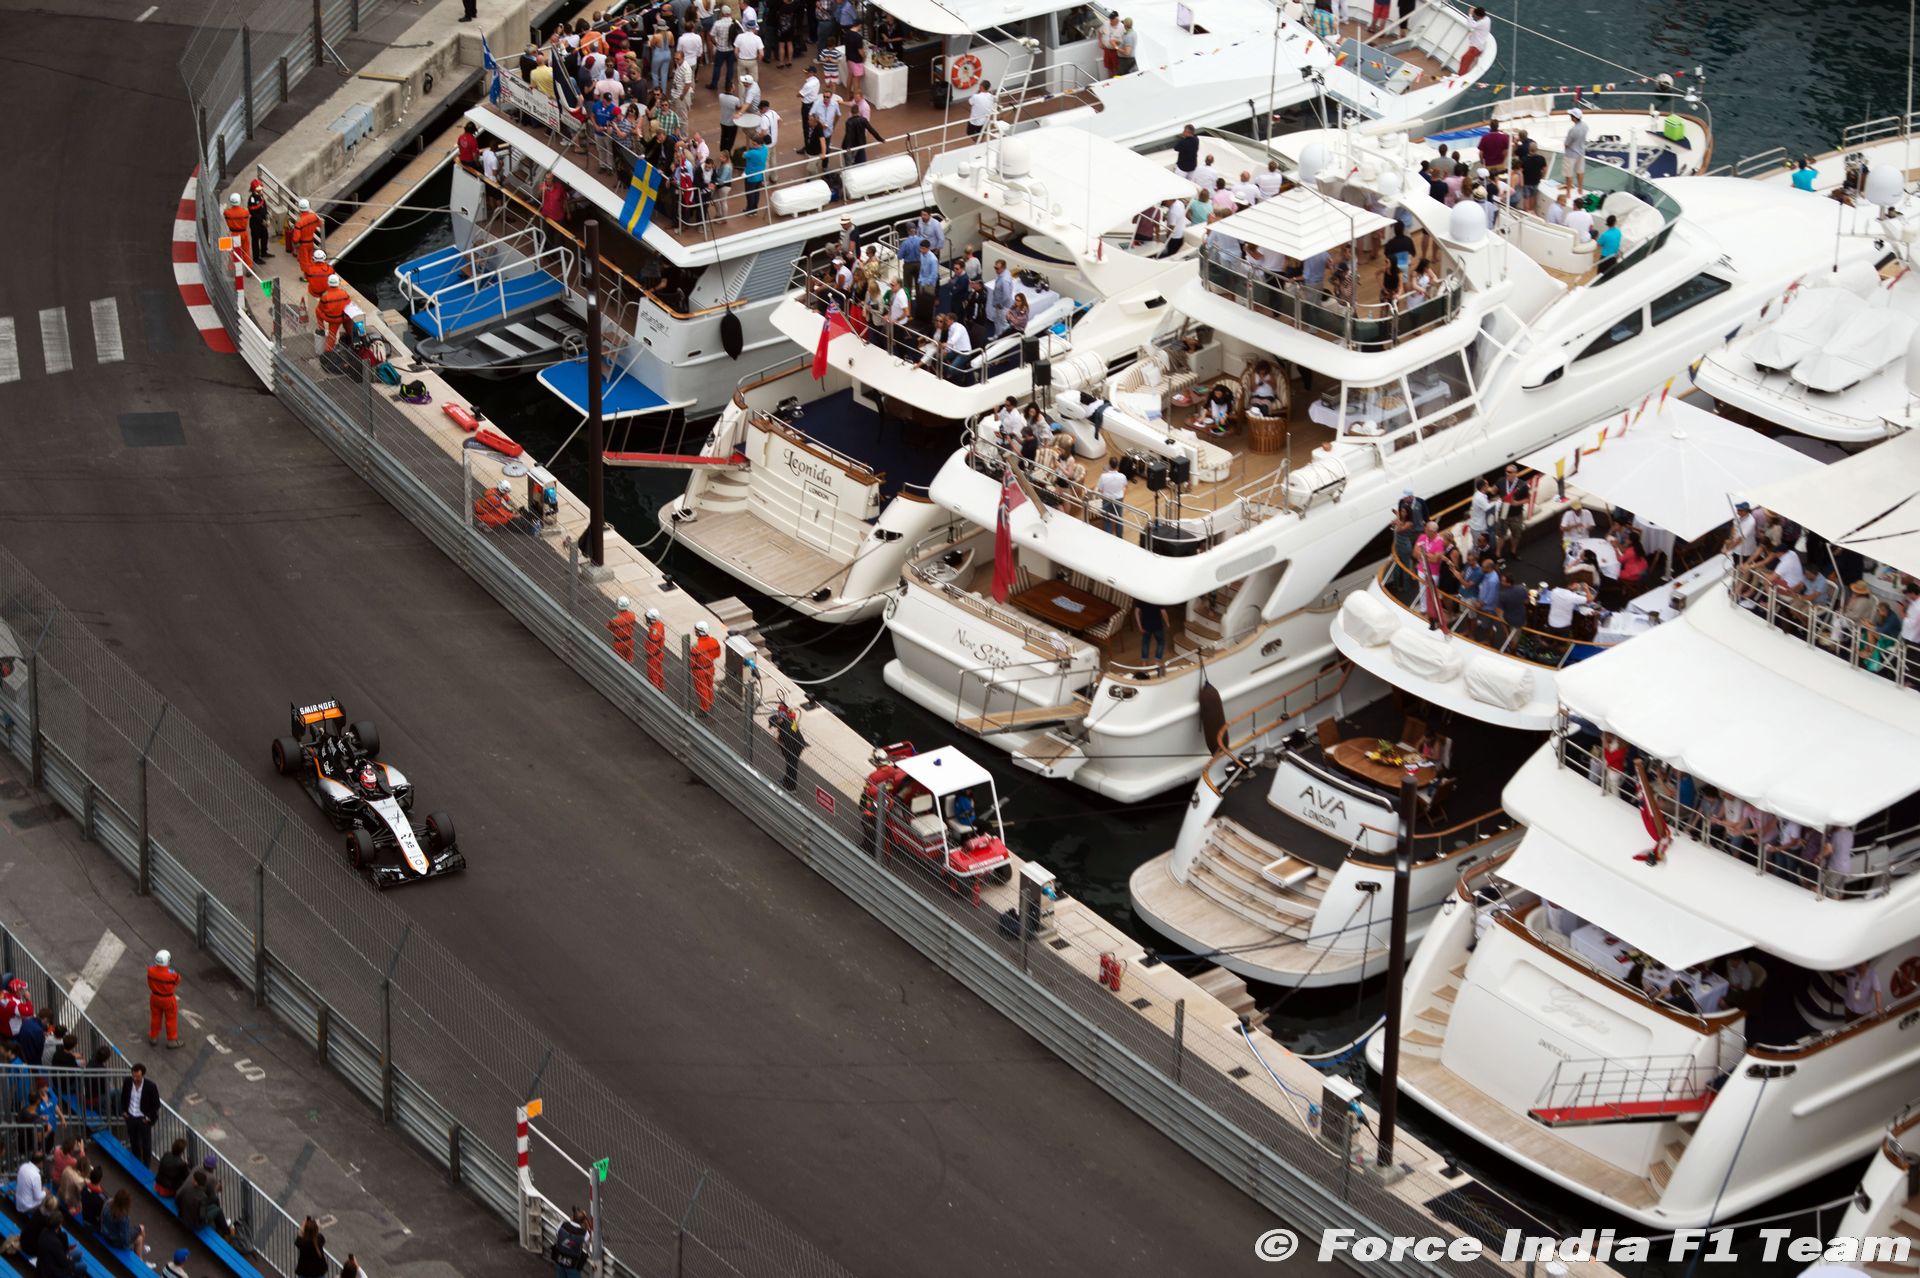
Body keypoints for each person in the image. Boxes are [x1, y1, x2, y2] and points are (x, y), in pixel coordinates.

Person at [768, 699, 807, 790]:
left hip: (794, 747)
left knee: (791, 766)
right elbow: (795, 728)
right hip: (799, 742)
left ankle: (791, 787)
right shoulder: (789, 719)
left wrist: (777, 741)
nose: (775, 727)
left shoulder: (784, 732)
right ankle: (786, 780)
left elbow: (783, 744)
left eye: (774, 725)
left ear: (777, 723)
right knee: (790, 765)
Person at [146, 951, 180, 1050]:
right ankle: (172, 1040)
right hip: (168, 999)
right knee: (171, 1019)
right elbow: (178, 980)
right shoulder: (172, 974)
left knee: (155, 1017)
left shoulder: (150, 970)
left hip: (154, 997)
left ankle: (153, 1037)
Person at [690, 620, 723, 712]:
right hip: (710, 668)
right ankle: (710, 702)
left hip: (699, 671)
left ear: (700, 632)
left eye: (697, 631)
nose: (695, 632)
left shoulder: (696, 646)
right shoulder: (714, 641)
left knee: (701, 689)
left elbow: (692, 662)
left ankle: (704, 709)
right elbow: (717, 654)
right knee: (709, 686)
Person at [100, 1189, 145, 1256]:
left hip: (105, 1233)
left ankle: (140, 1249)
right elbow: (125, 1240)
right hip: (114, 1241)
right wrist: (137, 1230)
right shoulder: (123, 1217)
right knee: (141, 1233)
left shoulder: (108, 1202)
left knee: (136, 1232)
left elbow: (102, 1217)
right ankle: (140, 1258)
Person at [316, 273, 353, 353]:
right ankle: (350, 339)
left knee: (331, 337)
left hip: (333, 320)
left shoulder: (325, 296)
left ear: (328, 283)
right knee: (349, 328)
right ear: (338, 283)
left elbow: (320, 308)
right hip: (344, 317)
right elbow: (349, 304)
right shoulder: (344, 293)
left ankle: (327, 352)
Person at [553, 1206, 592, 1274]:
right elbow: (588, 1238)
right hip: (573, 1263)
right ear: (583, 1221)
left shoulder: (562, 1224)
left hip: (559, 1258)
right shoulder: (584, 1234)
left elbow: (557, 1234)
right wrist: (585, 1222)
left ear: (572, 1217)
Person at [289, 197, 323, 272]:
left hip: (303, 245)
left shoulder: (299, 222)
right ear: (309, 206)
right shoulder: (314, 216)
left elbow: (296, 238)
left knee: (304, 261)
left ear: (299, 208)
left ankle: (307, 276)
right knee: (310, 259)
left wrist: (295, 243)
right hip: (311, 242)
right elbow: (320, 224)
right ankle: (312, 272)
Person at [1095, 458, 1128, 535]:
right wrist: (1122, 495)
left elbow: (1100, 489)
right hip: (1119, 499)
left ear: (1109, 465)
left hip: (1107, 499)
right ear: (1118, 466)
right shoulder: (1122, 476)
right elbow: (1125, 487)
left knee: (1106, 518)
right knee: (1119, 518)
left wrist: (1104, 494)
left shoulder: (1103, 476)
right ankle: (1119, 537)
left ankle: (1108, 537)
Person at [1563, 106, 1589, 197]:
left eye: (1571, 115)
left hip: (1571, 154)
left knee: (1569, 174)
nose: (1570, 116)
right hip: (1581, 152)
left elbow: (1567, 143)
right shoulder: (1585, 126)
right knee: (1580, 171)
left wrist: (1566, 147)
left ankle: (1568, 193)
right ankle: (1580, 189)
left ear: (1574, 117)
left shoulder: (1573, 130)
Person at [222, 193, 253, 267]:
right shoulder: (245, 212)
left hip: (233, 234)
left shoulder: (227, 212)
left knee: (234, 252)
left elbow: (225, 213)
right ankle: (248, 266)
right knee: (246, 251)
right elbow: (248, 214)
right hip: (243, 233)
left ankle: (234, 267)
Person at [246, 179, 273, 262]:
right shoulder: (252, 199)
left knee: (265, 236)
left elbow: (264, 208)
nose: (261, 189)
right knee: (255, 240)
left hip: (262, 221)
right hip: (255, 223)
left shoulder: (261, 196)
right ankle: (256, 257)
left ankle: (264, 252)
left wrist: (267, 216)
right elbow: (253, 212)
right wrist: (262, 221)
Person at [1459, 5, 1490, 76]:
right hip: (1477, 46)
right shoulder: (1487, 19)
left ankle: (1460, 77)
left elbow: (1470, 25)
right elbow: (1477, 26)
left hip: (1475, 48)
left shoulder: (1481, 23)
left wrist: (1470, 15)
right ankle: (1460, 75)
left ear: (1477, 15)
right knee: (1464, 59)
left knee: (1465, 62)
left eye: (1475, 15)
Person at [606, 596, 638, 662]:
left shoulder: (615, 619)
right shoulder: (632, 615)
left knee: (617, 660)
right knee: (629, 658)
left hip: (619, 642)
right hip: (629, 641)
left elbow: (609, 627)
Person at [1135, 601, 1168, 665]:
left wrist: (1140, 626)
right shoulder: (1157, 598)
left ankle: (1144, 662)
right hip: (1157, 626)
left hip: (1145, 626)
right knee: (1161, 643)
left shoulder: (1141, 598)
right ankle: (1157, 661)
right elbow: (1163, 612)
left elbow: (1136, 612)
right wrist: (1167, 623)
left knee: (1145, 643)